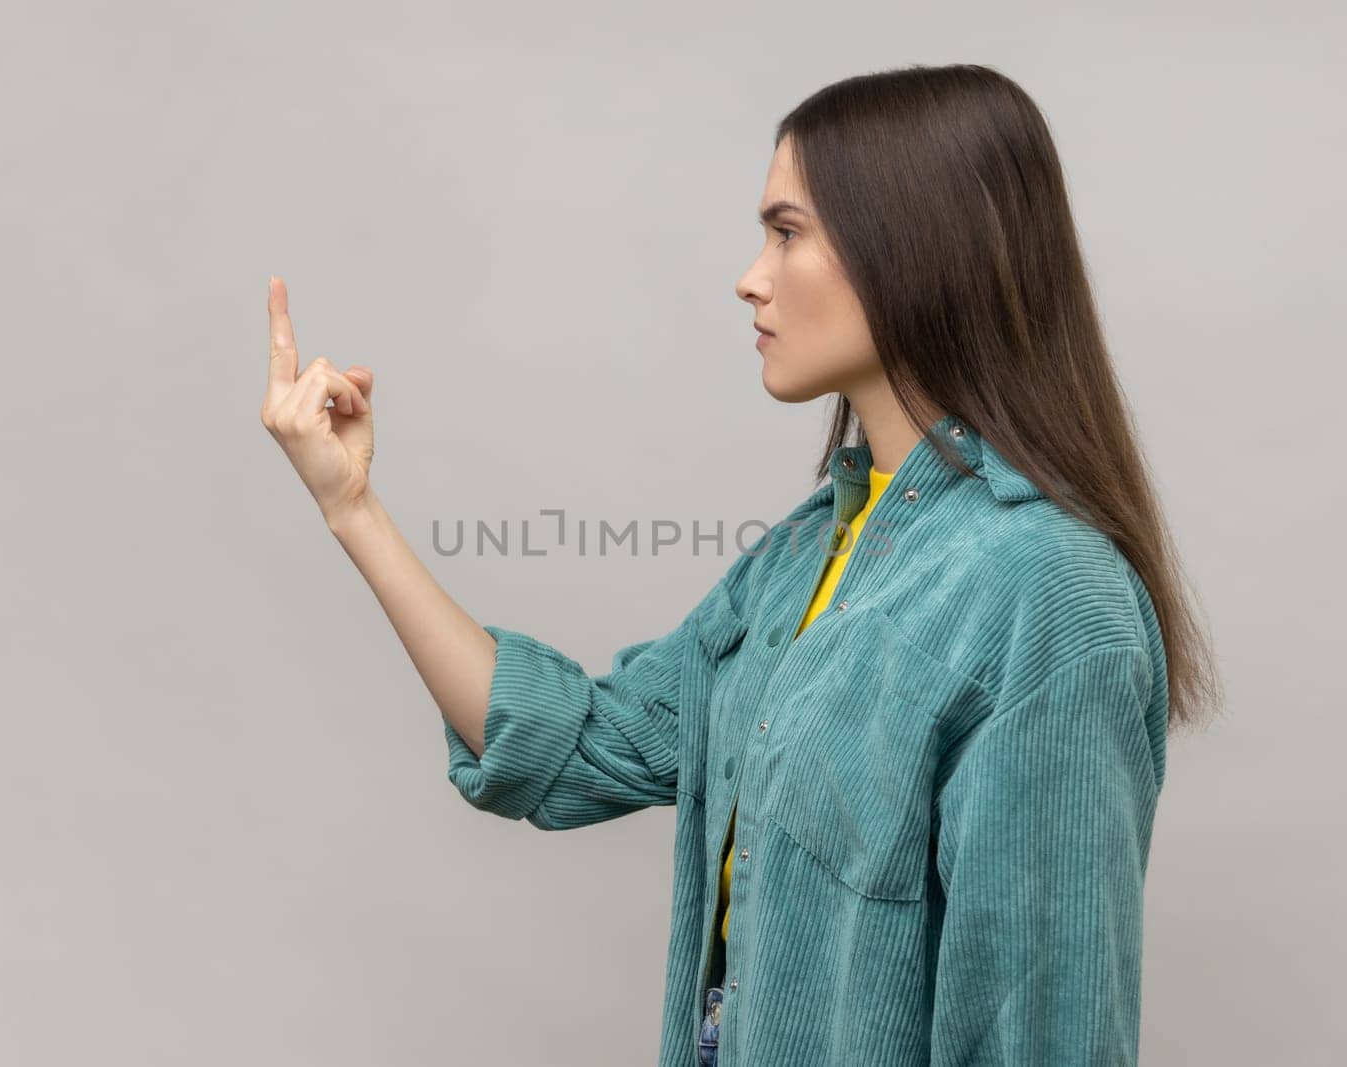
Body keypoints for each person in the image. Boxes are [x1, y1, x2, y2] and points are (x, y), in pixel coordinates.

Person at [260, 62, 1222, 1067]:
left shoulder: (1047, 593)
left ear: (908, 247)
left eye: (786, 230)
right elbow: (575, 749)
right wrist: (351, 505)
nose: (749, 274)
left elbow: (1044, 1028)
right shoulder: (811, 552)